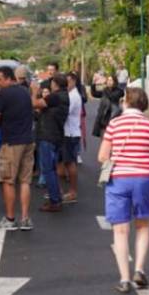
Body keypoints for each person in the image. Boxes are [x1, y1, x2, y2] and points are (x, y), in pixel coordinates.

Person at [100, 87, 149, 292]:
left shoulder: (114, 124)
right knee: (143, 225)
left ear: (125, 102)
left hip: (119, 178)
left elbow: (102, 156)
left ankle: (124, 279)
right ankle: (139, 269)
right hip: (144, 178)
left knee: (120, 230)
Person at [0, 66, 36, 230]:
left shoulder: (2, 94)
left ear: (9, 78)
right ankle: (25, 218)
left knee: (8, 180)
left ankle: (10, 219)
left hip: (11, 142)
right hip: (28, 140)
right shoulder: (25, 91)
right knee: (25, 180)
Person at [35, 75, 69, 212]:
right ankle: (56, 198)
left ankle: (55, 201)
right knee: (52, 170)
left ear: (55, 84)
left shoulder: (55, 96)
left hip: (48, 136)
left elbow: (36, 104)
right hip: (56, 135)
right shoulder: (64, 96)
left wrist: (33, 91)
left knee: (48, 169)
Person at [60, 71, 85, 200]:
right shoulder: (70, 94)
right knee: (65, 162)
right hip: (69, 132)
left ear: (74, 81)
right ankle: (63, 191)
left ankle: (73, 191)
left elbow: (64, 112)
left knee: (70, 163)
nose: (66, 84)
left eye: (68, 81)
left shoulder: (73, 96)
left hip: (70, 133)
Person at [91, 73, 124, 137]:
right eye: (108, 80)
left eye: (111, 80)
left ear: (115, 81)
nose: (109, 82)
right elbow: (95, 94)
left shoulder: (119, 91)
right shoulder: (105, 90)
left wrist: (105, 87)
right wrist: (94, 83)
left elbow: (112, 96)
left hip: (113, 118)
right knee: (103, 139)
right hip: (103, 119)